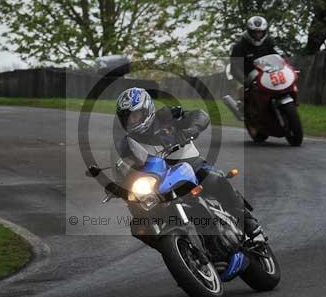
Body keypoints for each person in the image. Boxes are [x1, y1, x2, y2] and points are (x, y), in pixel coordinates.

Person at [111, 87, 264, 240]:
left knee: (215, 179)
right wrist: (119, 184)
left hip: (190, 164)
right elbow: (126, 166)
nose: (132, 121)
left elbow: (199, 115)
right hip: (161, 179)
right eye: (127, 118)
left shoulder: (165, 116)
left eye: (135, 115)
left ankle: (250, 225)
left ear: (146, 110)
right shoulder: (127, 144)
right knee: (139, 225)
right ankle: (180, 249)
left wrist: (192, 129)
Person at [229, 15, 289, 84]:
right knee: (240, 92)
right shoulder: (239, 46)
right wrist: (244, 81)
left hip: (271, 76)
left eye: (260, 32)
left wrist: (288, 66)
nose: (257, 35)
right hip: (250, 82)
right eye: (254, 32)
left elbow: (280, 54)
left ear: (264, 31)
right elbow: (234, 68)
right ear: (249, 31)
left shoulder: (268, 41)